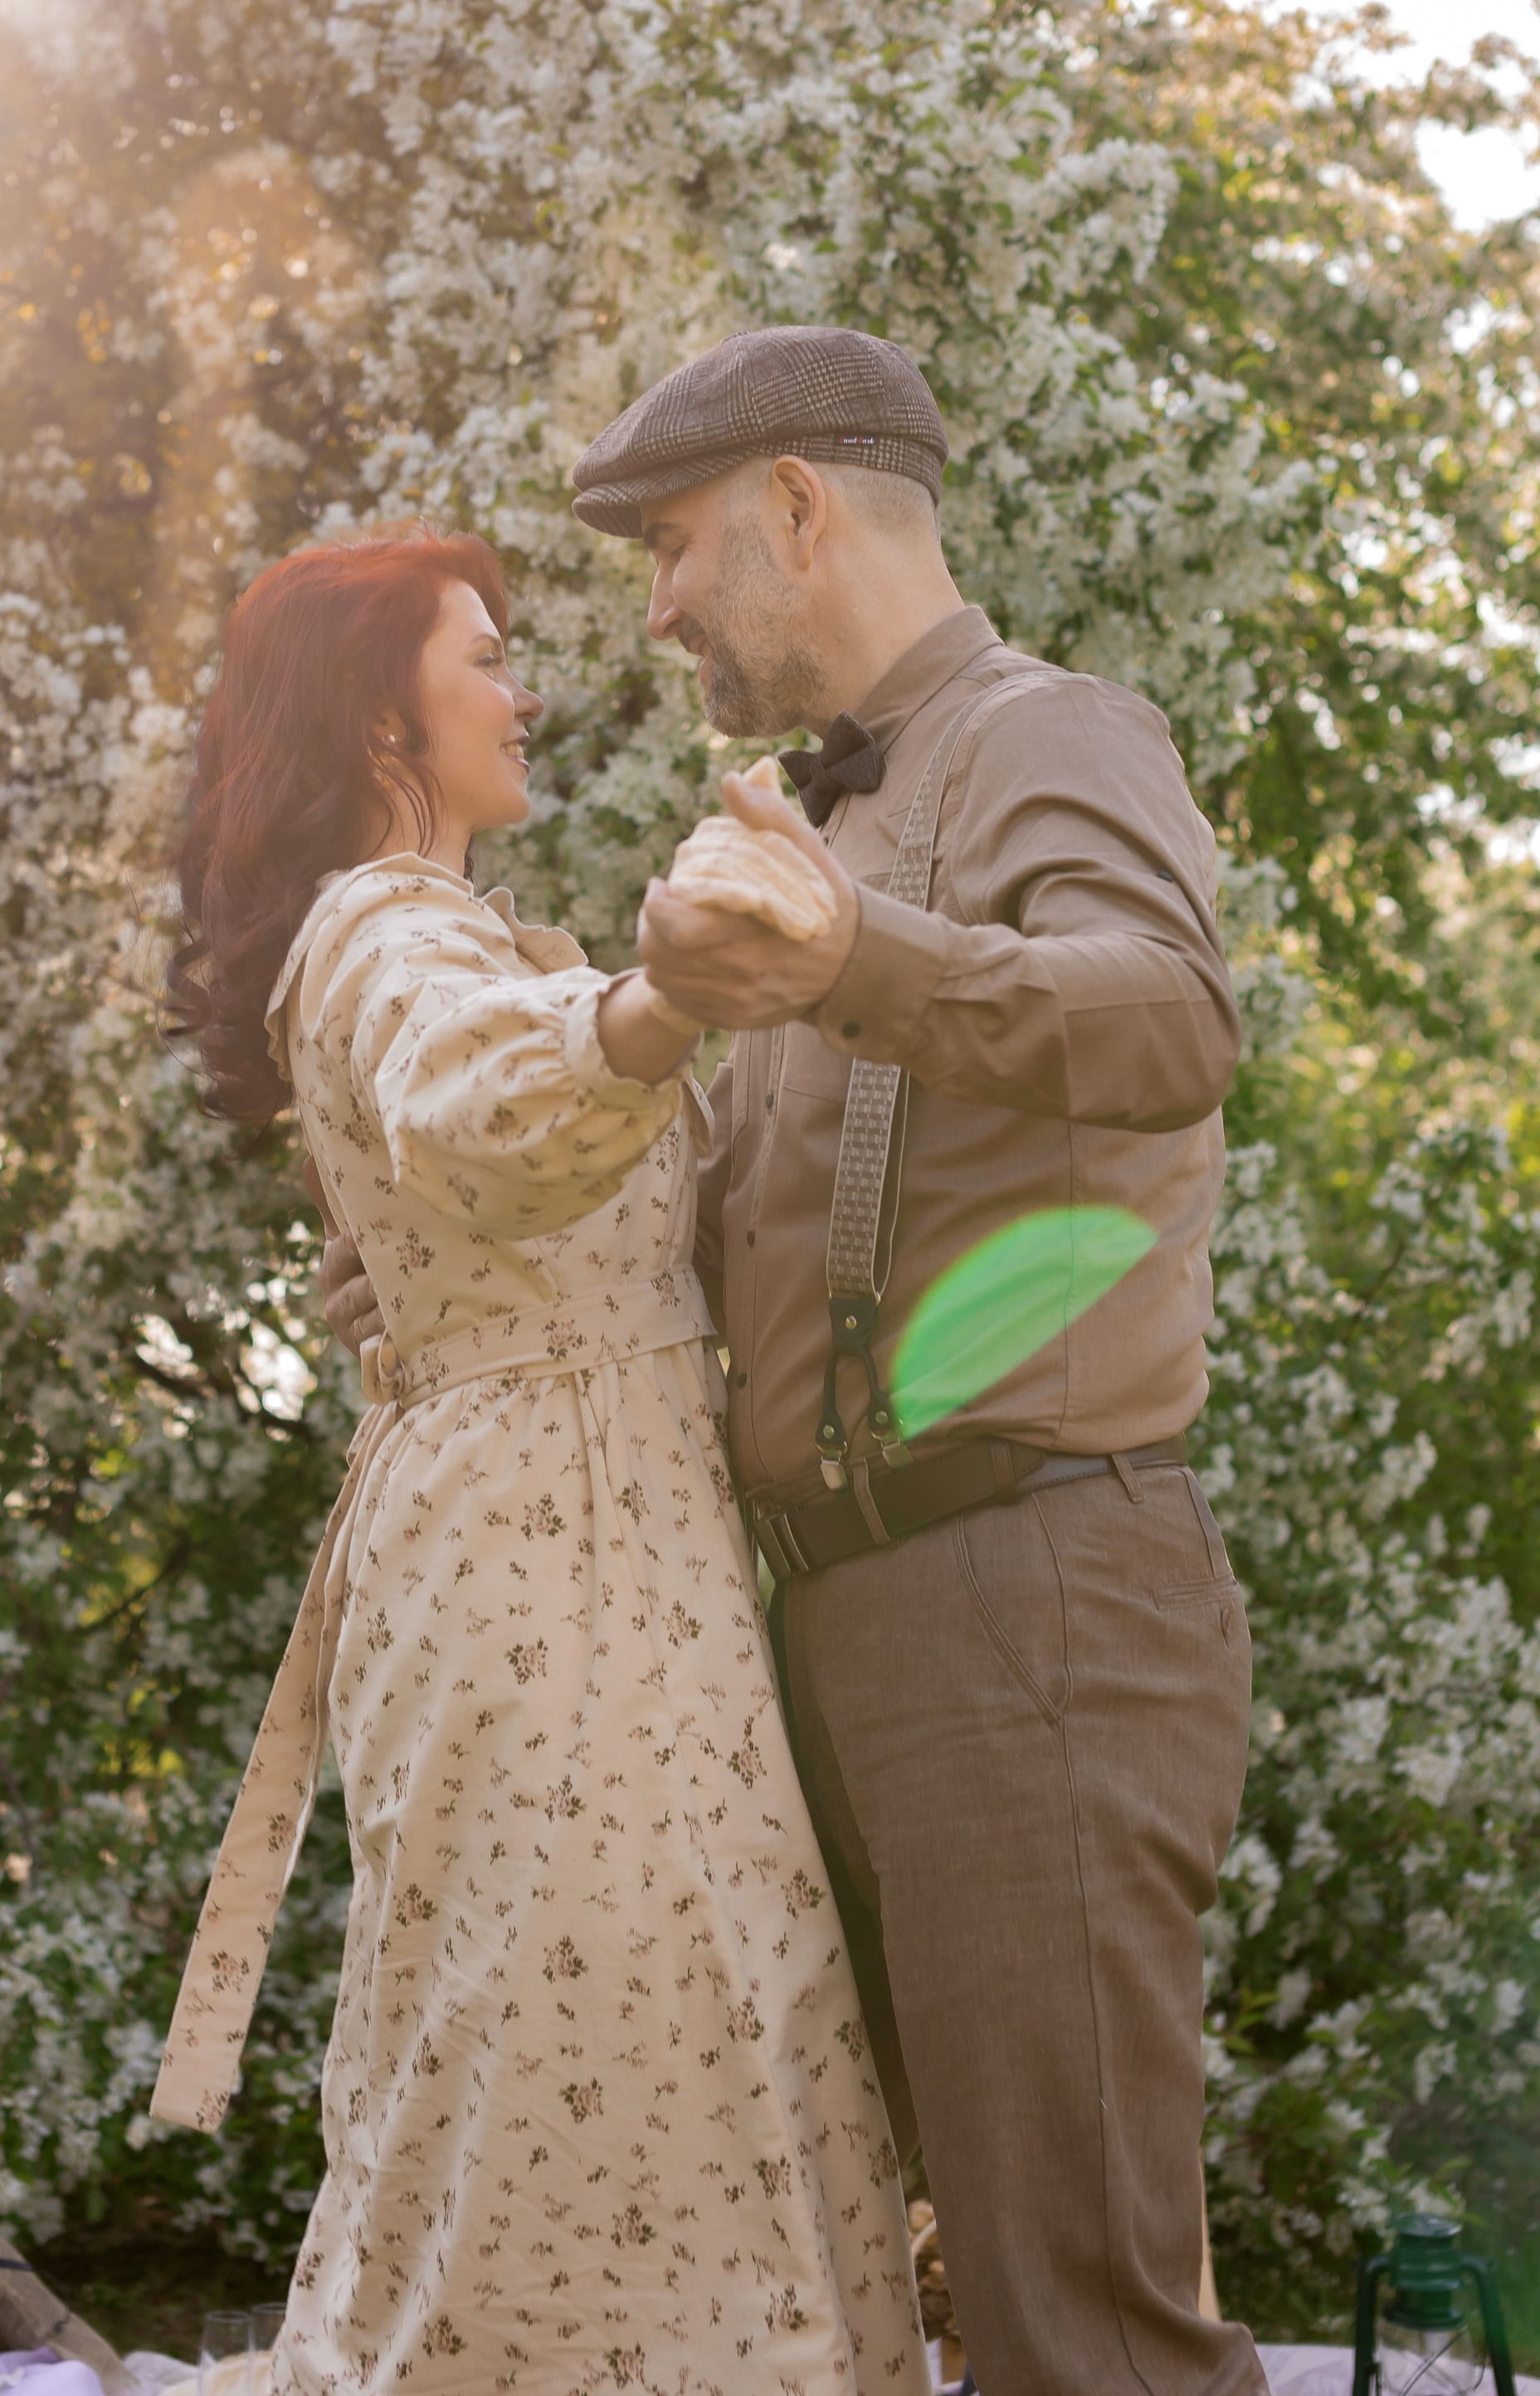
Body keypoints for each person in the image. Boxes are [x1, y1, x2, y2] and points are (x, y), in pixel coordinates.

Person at [328, 329, 1267, 2396]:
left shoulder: (1052, 737)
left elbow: (1170, 1027)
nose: (652, 604)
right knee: (910, 2307)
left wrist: (858, 957)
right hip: (829, 1628)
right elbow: (732, 1235)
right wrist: (467, 1267)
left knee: (1074, 2320)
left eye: (670, 545)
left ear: (793, 509)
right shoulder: (779, 834)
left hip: (1030, 1601)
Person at [150, 526, 926, 2396]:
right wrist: (667, 997)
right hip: (542, 1560)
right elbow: (493, 1106)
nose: (521, 690)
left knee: (661, 2018)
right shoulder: (382, 927)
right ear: (376, 717)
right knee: (588, 2039)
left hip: (581, 1535)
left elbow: (512, 1165)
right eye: (481, 655)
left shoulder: (435, 934)